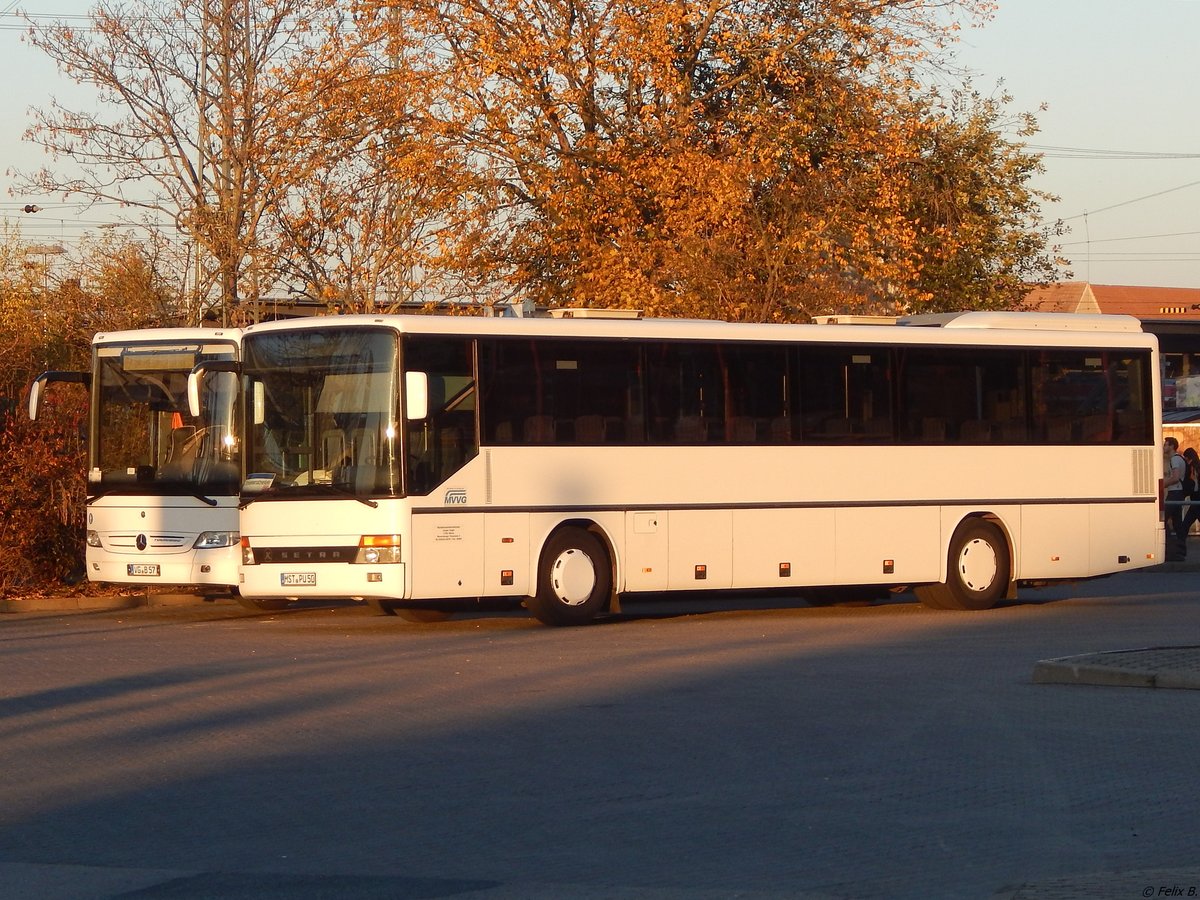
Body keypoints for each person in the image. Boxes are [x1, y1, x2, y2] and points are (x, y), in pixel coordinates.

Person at [1163, 437, 1188, 561]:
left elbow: (1176, 477)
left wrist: (1163, 484)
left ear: (1172, 446)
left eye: (1166, 445)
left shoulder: (1174, 460)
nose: (1164, 447)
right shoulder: (1180, 459)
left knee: (1162, 520)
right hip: (1178, 493)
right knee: (1178, 524)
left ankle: (1169, 548)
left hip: (1174, 493)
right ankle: (1180, 551)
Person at [1181, 447, 1200, 545]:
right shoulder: (1197, 466)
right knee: (1186, 524)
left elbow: (1193, 484)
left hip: (1196, 500)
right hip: (1196, 500)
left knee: (1185, 525)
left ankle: (1181, 547)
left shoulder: (1191, 468)